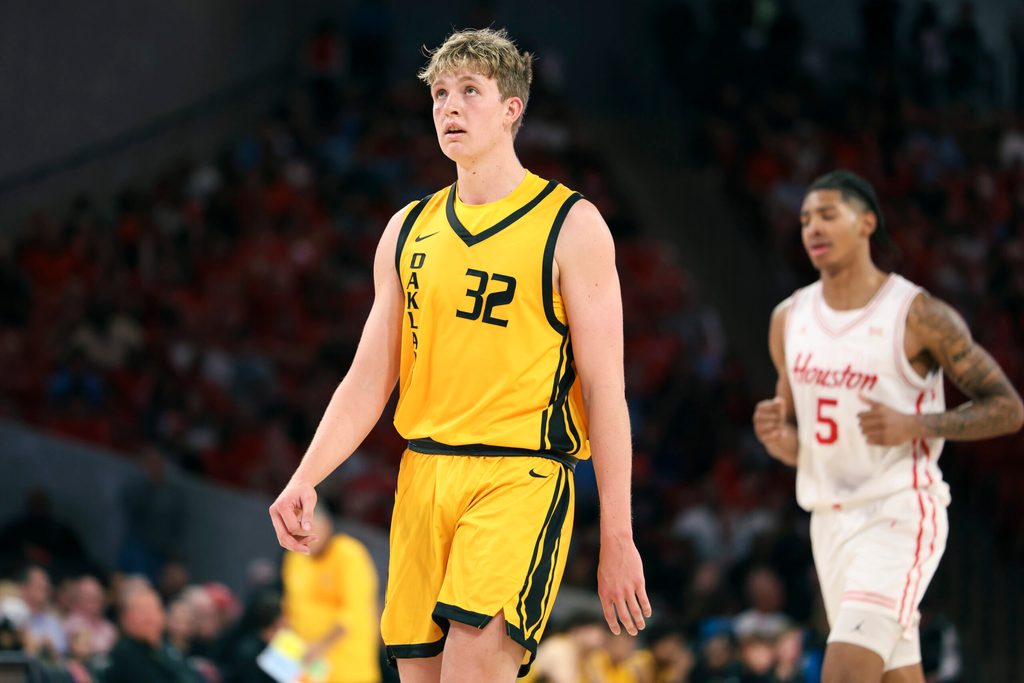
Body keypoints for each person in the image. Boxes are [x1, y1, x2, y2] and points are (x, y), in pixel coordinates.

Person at [269, 27, 649, 682]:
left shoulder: (571, 225)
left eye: (469, 91)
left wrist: (617, 531)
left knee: (475, 671)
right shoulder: (407, 229)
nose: (449, 106)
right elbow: (368, 379)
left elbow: (606, 390)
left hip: (520, 476)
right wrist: (306, 475)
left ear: (511, 109)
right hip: (423, 476)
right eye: (441, 93)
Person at [752, 170, 1024, 683]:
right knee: (895, 675)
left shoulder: (917, 314)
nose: (813, 227)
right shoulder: (788, 319)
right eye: (806, 218)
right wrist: (778, 439)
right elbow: (798, 445)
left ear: (867, 223)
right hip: (828, 520)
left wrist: (916, 423)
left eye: (828, 215)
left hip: (898, 511)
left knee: (845, 672)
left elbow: (1008, 408)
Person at [280, 510, 380, 683]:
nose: (304, 537)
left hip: (348, 671)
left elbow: (355, 611)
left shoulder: (349, 554)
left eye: (308, 529)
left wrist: (319, 647)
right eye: (297, 532)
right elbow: (291, 604)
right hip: (305, 670)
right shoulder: (294, 557)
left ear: (327, 526)